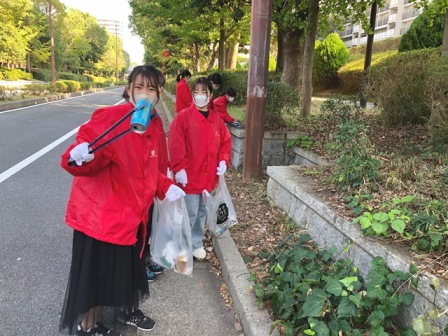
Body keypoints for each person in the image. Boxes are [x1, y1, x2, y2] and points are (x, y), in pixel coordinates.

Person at [59, 65, 185, 336]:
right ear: (128, 89)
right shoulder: (110, 117)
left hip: (135, 214)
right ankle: (87, 325)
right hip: (102, 215)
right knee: (97, 277)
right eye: (138, 87)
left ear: (159, 93)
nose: (144, 94)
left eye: (151, 89)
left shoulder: (154, 123)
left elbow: (156, 168)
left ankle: (127, 311)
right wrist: (80, 156)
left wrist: (167, 187)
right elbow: (84, 156)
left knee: (131, 269)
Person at [168, 77, 232, 261]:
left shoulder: (216, 120)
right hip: (188, 176)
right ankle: (181, 245)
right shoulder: (183, 117)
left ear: (210, 96)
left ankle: (195, 243)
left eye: (204, 92)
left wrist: (223, 161)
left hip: (207, 177)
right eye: (196, 91)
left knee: (202, 212)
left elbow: (225, 143)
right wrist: (179, 168)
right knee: (189, 212)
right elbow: (175, 143)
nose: (199, 96)